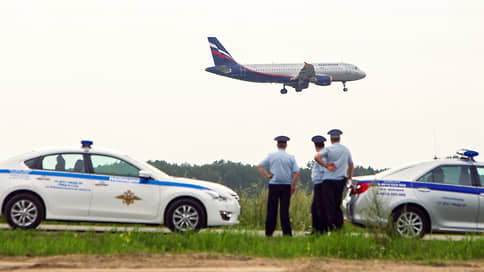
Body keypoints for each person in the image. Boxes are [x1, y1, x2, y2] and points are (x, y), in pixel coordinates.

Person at [258, 136, 300, 236]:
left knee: (272, 210)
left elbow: (260, 166)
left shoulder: (271, 156)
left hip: (274, 184)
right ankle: (287, 232)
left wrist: (268, 175)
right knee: (284, 211)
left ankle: (269, 232)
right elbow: (297, 172)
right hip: (286, 185)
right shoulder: (291, 157)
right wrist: (293, 186)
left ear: (277, 145)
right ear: (286, 145)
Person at [314, 129, 353, 230]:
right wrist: (349, 175)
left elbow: (317, 157)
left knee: (328, 204)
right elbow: (351, 163)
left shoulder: (328, 149)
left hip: (328, 179)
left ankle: (330, 225)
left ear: (331, 139)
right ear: (339, 138)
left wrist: (326, 166)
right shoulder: (346, 150)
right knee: (337, 203)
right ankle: (339, 226)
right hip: (340, 180)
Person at [310, 135, 329, 234]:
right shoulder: (322, 154)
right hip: (319, 184)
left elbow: (323, 170)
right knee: (314, 207)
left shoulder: (321, 155)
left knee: (319, 207)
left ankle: (321, 229)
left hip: (321, 184)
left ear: (315, 145)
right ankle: (316, 229)